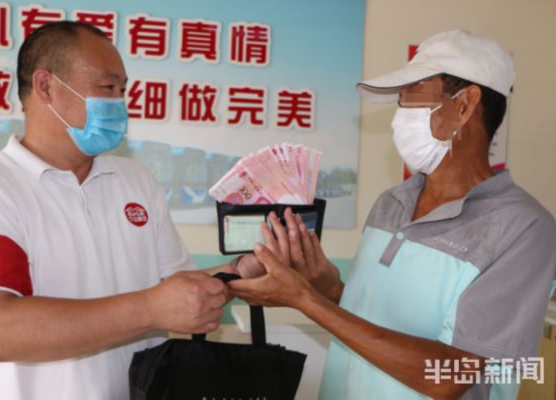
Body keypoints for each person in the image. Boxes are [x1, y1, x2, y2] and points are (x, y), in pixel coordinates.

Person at [229, 30, 556, 400]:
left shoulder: (525, 230)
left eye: (414, 96)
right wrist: (331, 291)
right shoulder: (391, 202)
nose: (401, 114)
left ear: (464, 106)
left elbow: (450, 377)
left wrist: (305, 299)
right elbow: (379, 327)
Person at [0, 21, 256, 400]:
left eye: (123, 90)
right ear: (46, 86)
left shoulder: (136, 181)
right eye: (107, 87)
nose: (120, 103)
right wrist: (149, 309)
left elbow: (179, 292)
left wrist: (242, 270)